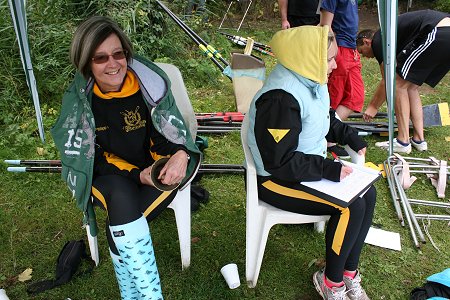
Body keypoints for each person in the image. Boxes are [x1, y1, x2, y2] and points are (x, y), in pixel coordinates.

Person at [51, 16, 201, 299]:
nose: (113, 64)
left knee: (119, 228)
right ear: (85, 64)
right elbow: (89, 159)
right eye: (100, 57)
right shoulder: (80, 105)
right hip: (108, 175)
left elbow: (170, 134)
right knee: (120, 196)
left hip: (150, 171)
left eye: (118, 54)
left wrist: (180, 153)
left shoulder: (149, 88)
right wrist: (135, 175)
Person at [247, 26, 375, 300]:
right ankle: (331, 282)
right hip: (275, 179)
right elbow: (280, 162)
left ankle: (348, 273)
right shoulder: (280, 98)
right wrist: (329, 169)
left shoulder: (309, 78)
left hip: (302, 168)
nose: (335, 64)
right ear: (308, 58)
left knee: (369, 193)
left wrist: (349, 135)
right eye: (329, 59)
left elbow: (323, 117)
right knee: (351, 206)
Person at [357, 9, 450, 154]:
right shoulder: (390, 35)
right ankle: (419, 140)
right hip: (444, 32)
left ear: (366, 41)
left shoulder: (379, 40)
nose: (365, 57)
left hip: (436, 31)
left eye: (362, 52)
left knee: (397, 85)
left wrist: (373, 107)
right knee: (410, 86)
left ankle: (403, 141)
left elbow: (387, 80)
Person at [319, 0, 364, 157]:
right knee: (334, 96)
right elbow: (325, 26)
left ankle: (329, 133)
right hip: (340, 49)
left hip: (351, 50)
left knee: (355, 97)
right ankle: (328, 140)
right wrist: (333, 52)